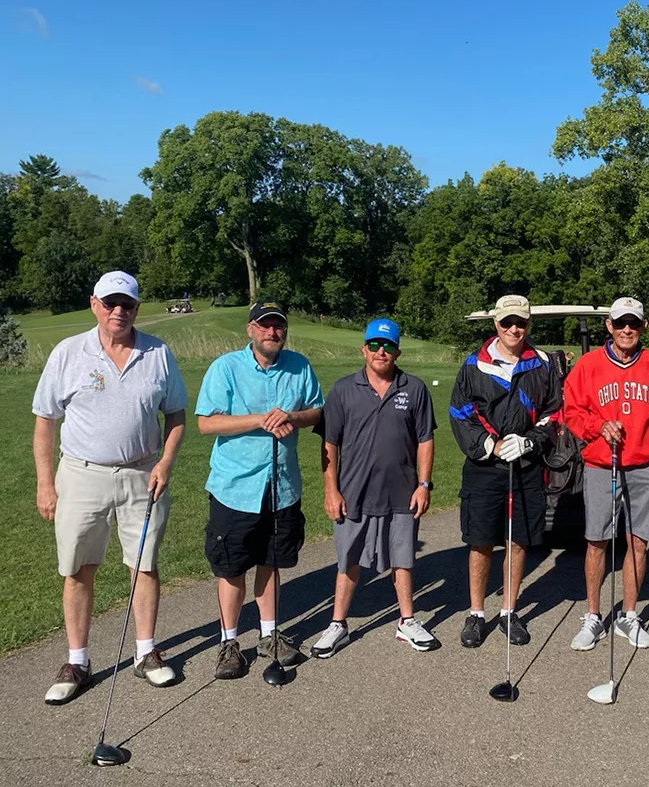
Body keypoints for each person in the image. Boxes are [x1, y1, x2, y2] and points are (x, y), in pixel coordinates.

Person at [33, 271, 187, 705]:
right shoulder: (68, 353)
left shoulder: (158, 352)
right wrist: (46, 482)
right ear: (94, 304)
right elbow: (45, 421)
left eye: (128, 305)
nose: (119, 311)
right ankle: (77, 661)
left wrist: (165, 462)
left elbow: (175, 414)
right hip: (81, 474)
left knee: (144, 565)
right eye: (111, 303)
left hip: (143, 473)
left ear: (137, 308)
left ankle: (145, 653)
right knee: (78, 568)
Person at [195, 300, 324, 679]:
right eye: (265, 325)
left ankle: (269, 635)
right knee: (232, 568)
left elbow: (317, 411)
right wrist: (260, 420)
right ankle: (229, 642)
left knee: (272, 562)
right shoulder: (226, 368)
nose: (273, 332)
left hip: (282, 487)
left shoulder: (299, 366)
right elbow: (206, 423)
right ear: (250, 329)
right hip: (235, 487)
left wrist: (291, 416)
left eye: (279, 326)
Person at [310, 319, 439, 657]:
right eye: (375, 345)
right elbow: (329, 444)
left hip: (402, 491)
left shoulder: (414, 388)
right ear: (363, 349)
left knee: (403, 558)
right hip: (353, 492)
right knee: (347, 559)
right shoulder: (342, 389)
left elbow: (425, 439)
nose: (382, 352)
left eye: (389, 346)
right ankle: (338, 624)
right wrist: (331, 490)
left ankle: (407, 621)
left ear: (397, 350)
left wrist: (424, 484)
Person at [563, 297, 649, 650]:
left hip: (647, 466)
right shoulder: (587, 366)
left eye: (634, 322)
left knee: (638, 540)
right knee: (597, 539)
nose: (627, 329)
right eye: (620, 322)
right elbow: (571, 411)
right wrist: (598, 426)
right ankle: (594, 616)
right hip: (603, 463)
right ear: (609, 326)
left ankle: (628, 616)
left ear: (643, 326)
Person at [450, 295, 562, 648]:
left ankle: (509, 612)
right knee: (481, 541)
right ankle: (476, 613)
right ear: (496, 323)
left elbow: (555, 413)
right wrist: (491, 445)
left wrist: (530, 442)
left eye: (521, 322)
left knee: (518, 540)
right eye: (507, 322)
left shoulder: (542, 364)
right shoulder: (474, 365)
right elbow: (460, 413)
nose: (514, 328)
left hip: (526, 466)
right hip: (485, 467)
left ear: (529, 324)